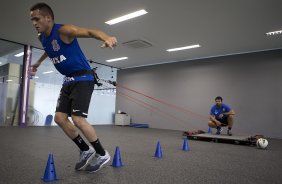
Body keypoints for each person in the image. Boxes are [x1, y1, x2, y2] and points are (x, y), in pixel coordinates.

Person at [29, 3, 117, 173]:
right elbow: (48, 49)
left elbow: (90, 32)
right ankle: (85, 150)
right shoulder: (42, 37)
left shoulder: (64, 30)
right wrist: (38, 63)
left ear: (48, 18)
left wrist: (106, 37)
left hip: (83, 77)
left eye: (36, 18)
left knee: (78, 119)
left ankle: (101, 153)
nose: (34, 22)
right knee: (60, 118)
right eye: (32, 19)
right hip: (68, 80)